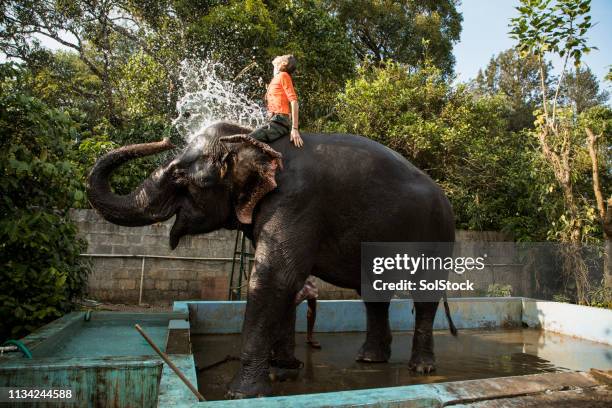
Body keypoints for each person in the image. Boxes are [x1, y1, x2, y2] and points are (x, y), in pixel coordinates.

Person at [250, 54, 304, 148]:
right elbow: (274, 62)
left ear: (284, 63)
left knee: (248, 139)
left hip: (280, 121)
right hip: (274, 120)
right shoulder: (277, 77)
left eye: (283, 56)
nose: (280, 56)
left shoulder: (284, 75)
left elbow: (294, 101)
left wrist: (295, 129)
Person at [294, 276, 321, 349]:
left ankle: (310, 337)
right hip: (296, 276)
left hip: (309, 277)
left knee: (312, 305)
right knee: (291, 307)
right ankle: (290, 337)